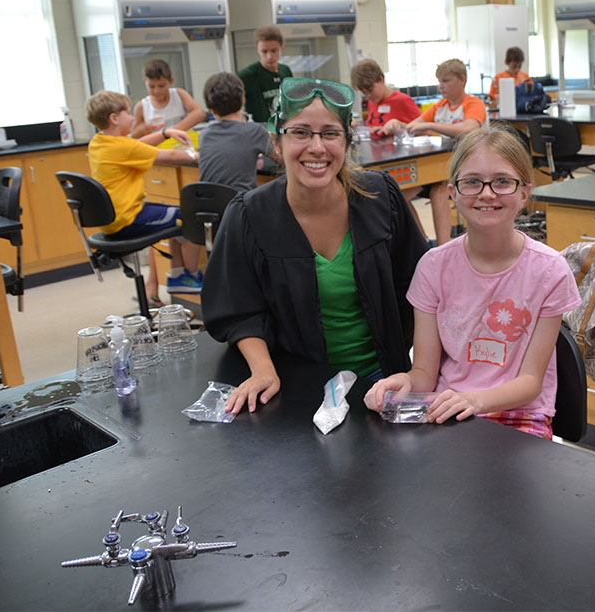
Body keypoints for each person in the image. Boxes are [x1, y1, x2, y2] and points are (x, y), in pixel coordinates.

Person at [202, 78, 429, 414]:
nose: (317, 147)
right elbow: (238, 309)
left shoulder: (380, 197)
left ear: (347, 141)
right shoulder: (250, 215)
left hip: (382, 382)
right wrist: (263, 369)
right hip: (297, 383)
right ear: (277, 141)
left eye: (329, 133)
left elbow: (422, 288)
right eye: (301, 132)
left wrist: (420, 371)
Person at [363, 127, 581, 440]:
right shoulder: (433, 267)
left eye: (503, 181)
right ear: (452, 192)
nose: (487, 193)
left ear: (524, 192)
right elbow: (424, 374)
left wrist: (474, 400)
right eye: (473, 182)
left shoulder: (549, 271)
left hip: (520, 416)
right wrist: (403, 384)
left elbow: (531, 382)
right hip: (449, 410)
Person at [84, 90, 203, 301]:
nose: (132, 118)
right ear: (114, 118)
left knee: (174, 214)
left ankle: (176, 275)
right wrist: (202, 155)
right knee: (191, 216)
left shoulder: (99, 142)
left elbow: (136, 145)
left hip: (115, 220)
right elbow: (172, 155)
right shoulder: (123, 147)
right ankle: (188, 276)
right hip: (130, 219)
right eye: (127, 113)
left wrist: (166, 133)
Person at [380, 59, 486, 246]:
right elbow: (414, 126)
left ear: (462, 80)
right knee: (399, 194)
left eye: (446, 81)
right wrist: (397, 123)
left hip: (472, 163)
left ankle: (443, 246)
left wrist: (429, 125)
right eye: (439, 81)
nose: (441, 86)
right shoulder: (440, 106)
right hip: (444, 165)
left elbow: (469, 130)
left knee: (440, 189)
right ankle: (422, 243)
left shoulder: (473, 103)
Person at [198, 72, 275, 192]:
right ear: (243, 100)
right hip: (240, 207)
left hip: (208, 207)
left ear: (211, 110)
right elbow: (282, 157)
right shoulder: (255, 131)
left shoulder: (204, 135)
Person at [129, 59, 205, 140]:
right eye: (151, 86)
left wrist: (170, 132)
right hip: (160, 150)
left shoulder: (179, 94)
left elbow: (199, 113)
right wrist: (141, 131)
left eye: (161, 86)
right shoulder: (141, 106)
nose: (157, 91)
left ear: (171, 81)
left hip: (184, 146)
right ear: (145, 83)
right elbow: (134, 135)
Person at [237, 26, 293, 124]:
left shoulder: (285, 71)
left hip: (283, 126)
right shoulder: (247, 75)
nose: (269, 56)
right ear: (258, 50)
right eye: (264, 51)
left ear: (282, 48)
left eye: (273, 51)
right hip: (260, 131)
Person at [350, 59, 421, 137]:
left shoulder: (403, 100)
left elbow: (426, 132)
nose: (368, 96)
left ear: (381, 79)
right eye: (364, 92)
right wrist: (357, 128)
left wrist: (401, 126)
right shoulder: (371, 103)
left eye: (370, 90)